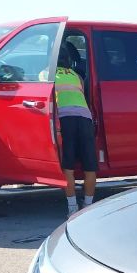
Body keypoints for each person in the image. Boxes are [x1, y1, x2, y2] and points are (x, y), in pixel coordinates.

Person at [53, 46, 97, 216]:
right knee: (90, 166)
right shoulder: (77, 75)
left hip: (65, 120)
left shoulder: (48, 74)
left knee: (68, 167)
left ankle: (72, 208)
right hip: (85, 119)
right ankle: (88, 205)